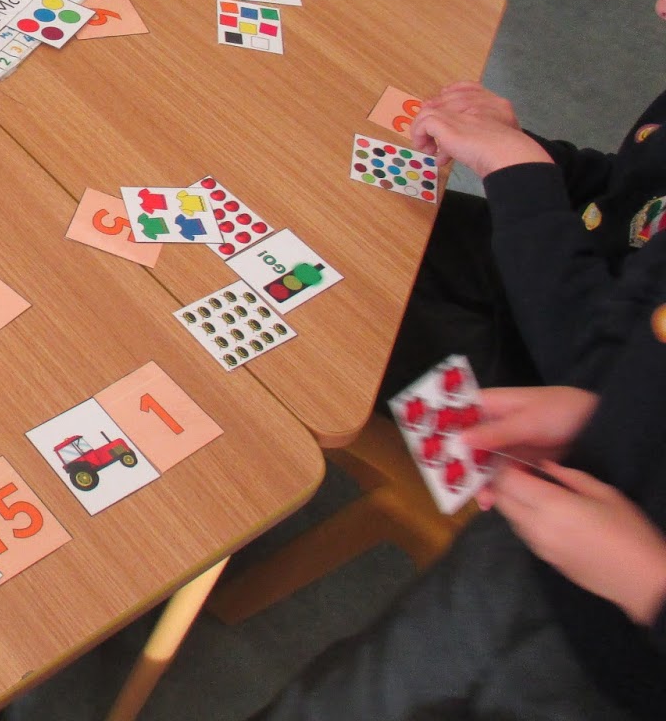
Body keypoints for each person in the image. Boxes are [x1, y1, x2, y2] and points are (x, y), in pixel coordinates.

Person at [252, 294, 666, 721]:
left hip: (621, 685)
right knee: (335, 700)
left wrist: (648, 583)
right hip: (525, 552)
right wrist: (610, 415)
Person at [382, 0, 666, 398]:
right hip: (563, 260)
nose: (660, 6)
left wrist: (518, 171)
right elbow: (631, 190)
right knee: (375, 224)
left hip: (561, 378)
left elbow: (602, 376)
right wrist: (523, 150)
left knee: (344, 323)